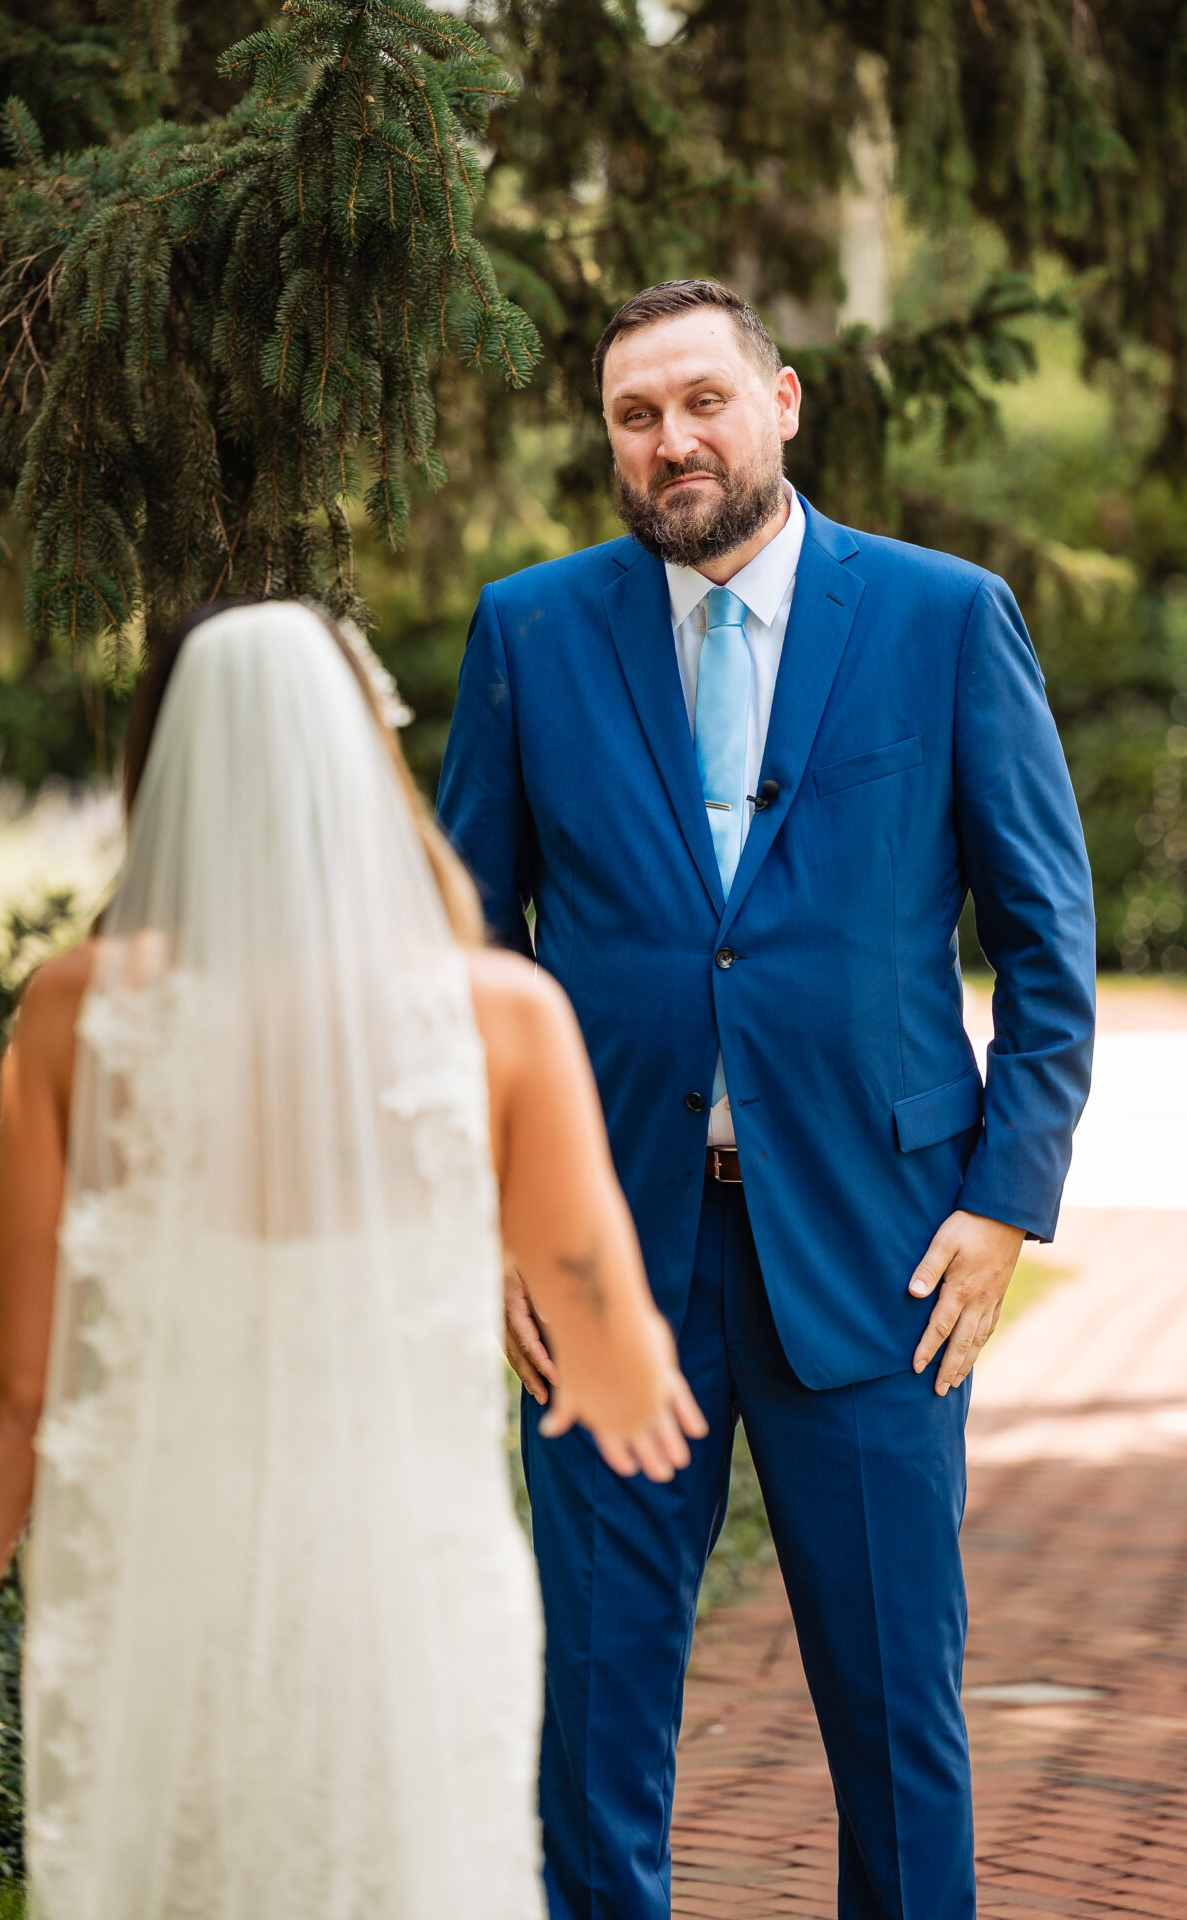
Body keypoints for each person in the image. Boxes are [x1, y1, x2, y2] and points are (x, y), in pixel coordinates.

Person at [436, 279, 1097, 1920]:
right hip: (604, 1263)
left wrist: (1004, 1203)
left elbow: (1045, 943)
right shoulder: (529, 630)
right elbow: (457, 960)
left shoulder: (944, 617)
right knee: (591, 1723)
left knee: (894, 1722)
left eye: (700, 402)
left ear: (781, 402)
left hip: (882, 1260)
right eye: (633, 416)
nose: (670, 441)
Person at [0, 600, 705, 1920]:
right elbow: (608, 1342)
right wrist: (624, 1372)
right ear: (365, 757)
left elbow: (16, 1385)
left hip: (159, 1583)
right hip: (408, 1585)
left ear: (165, 768)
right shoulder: (502, 1015)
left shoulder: (75, 1007)